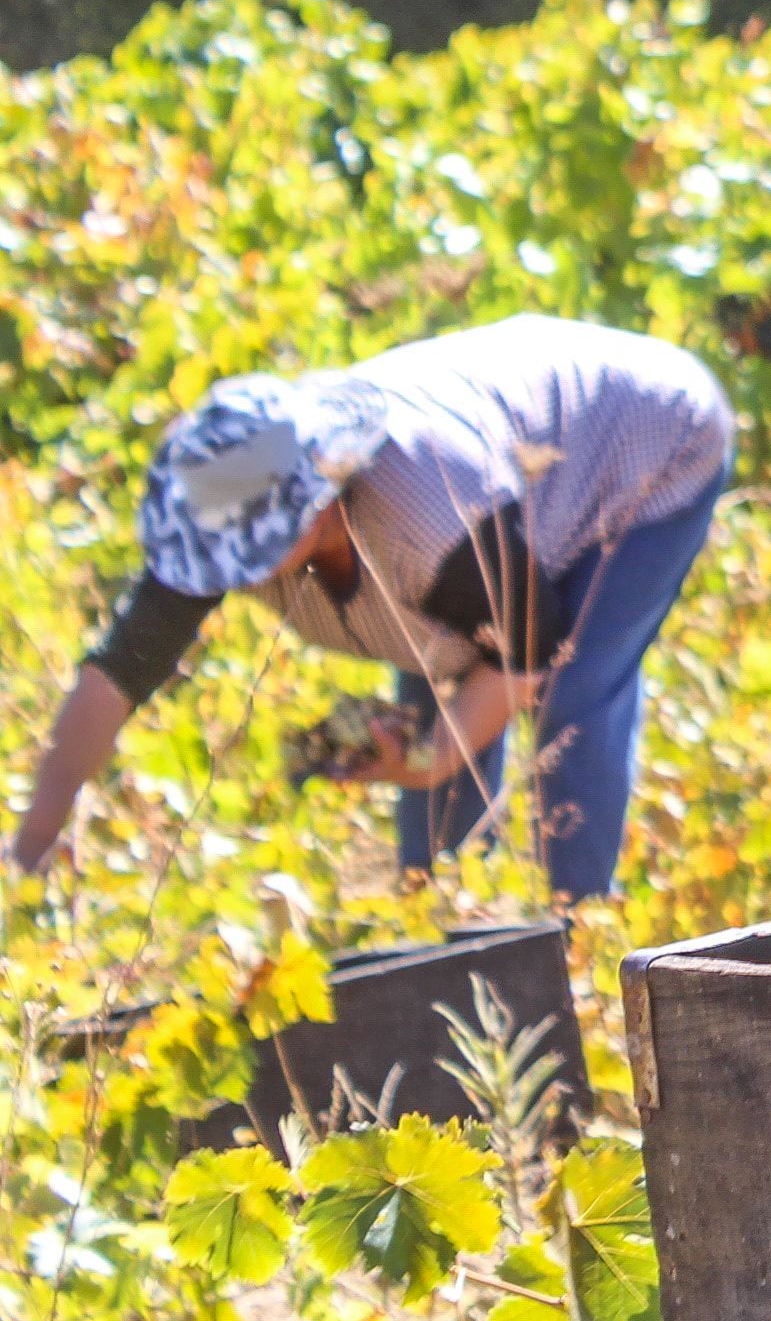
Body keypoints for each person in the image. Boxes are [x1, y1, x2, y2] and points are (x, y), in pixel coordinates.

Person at [11, 314, 733, 900]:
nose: (229, 577)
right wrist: (28, 849)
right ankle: (444, 927)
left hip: (645, 445)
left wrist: (429, 760)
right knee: (435, 691)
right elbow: (115, 679)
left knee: (573, 702)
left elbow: (524, 662)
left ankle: (580, 945)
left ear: (320, 505)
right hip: (510, 484)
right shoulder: (228, 504)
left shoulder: (435, 523)